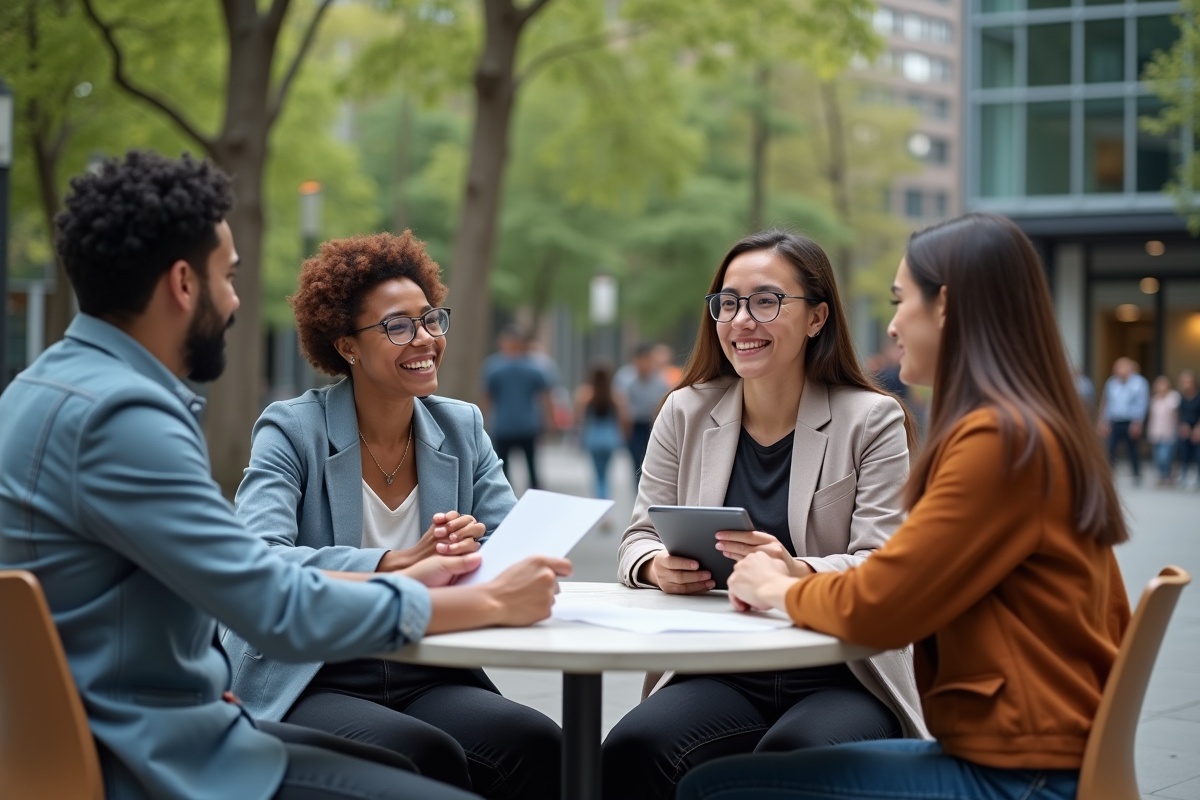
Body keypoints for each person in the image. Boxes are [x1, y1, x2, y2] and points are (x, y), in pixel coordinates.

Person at [0, 150, 570, 800]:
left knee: (515, 747)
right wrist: (481, 599)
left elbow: (246, 576)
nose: (236, 300)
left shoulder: (35, 389)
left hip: (115, 735)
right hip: (161, 756)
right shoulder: (125, 416)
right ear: (184, 284)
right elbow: (270, 603)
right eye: (228, 276)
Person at [677, 213, 1130, 800]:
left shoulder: (999, 444)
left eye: (901, 300)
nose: (892, 327)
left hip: (1020, 771)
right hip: (1033, 749)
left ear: (946, 306)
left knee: (715, 789)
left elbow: (884, 604)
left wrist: (777, 584)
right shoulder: (1028, 430)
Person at [225, 233, 563, 798]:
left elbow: (512, 541)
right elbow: (261, 557)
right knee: (424, 755)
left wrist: (473, 548)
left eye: (430, 319)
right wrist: (392, 560)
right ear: (349, 348)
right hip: (315, 670)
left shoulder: (461, 426)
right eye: (398, 326)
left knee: (538, 743)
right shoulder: (291, 430)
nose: (425, 338)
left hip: (426, 665)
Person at [604, 230, 928, 800]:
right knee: (633, 748)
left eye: (766, 301)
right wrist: (656, 566)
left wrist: (794, 570)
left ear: (816, 318)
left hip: (842, 673)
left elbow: (885, 566)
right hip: (719, 667)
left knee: (788, 765)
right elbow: (638, 536)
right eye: (728, 303)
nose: (741, 320)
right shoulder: (685, 410)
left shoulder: (872, 420)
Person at [482, 325, 555, 489]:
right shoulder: (533, 367)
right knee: (529, 467)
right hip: (521, 425)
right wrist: (550, 421)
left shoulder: (494, 367)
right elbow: (545, 397)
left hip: (511, 426)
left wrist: (483, 422)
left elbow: (487, 398)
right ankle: (533, 499)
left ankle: (507, 503)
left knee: (506, 469)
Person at [613, 343, 671, 486]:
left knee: (651, 461)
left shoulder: (660, 380)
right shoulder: (625, 378)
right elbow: (620, 403)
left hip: (651, 424)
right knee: (636, 463)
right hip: (633, 426)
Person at [575, 358, 628, 500]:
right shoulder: (616, 395)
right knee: (606, 474)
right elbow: (623, 418)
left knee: (597, 474)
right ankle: (605, 502)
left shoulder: (585, 394)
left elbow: (579, 418)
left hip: (593, 437)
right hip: (610, 437)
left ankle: (600, 500)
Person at [1099, 356, 1150, 484]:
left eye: (1122, 367)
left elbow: (1142, 403)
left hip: (1130, 421)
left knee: (1132, 449)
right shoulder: (1111, 383)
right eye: (1117, 368)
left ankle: (1136, 475)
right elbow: (1106, 402)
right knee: (1110, 448)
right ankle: (1108, 474)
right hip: (1115, 420)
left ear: (1130, 368)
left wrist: (1138, 422)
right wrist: (1103, 421)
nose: (1119, 370)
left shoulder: (1139, 383)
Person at [1147, 375, 1181, 485]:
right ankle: (1162, 476)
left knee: (1165, 456)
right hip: (1156, 431)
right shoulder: (1154, 399)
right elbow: (1152, 417)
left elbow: (1177, 414)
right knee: (1157, 457)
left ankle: (1167, 475)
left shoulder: (1174, 397)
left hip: (1169, 432)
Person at [1178, 370, 1200, 489]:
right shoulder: (1180, 397)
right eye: (1184, 381)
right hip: (1185, 428)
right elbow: (1180, 414)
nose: (1186, 384)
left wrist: (1197, 428)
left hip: (1197, 427)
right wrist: (1183, 425)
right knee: (1184, 452)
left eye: (1188, 381)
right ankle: (1184, 475)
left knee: (1198, 454)